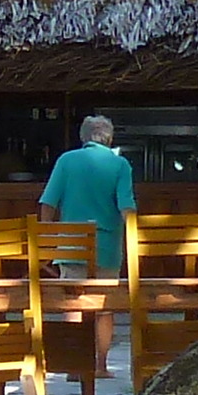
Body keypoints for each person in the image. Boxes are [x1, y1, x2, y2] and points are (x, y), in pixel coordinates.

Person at [37, 113, 139, 276]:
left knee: (70, 301)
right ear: (109, 139)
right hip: (106, 251)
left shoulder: (66, 160)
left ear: (83, 137)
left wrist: (48, 240)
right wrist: (136, 239)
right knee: (107, 299)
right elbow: (126, 207)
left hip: (71, 249)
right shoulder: (121, 164)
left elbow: (48, 203)